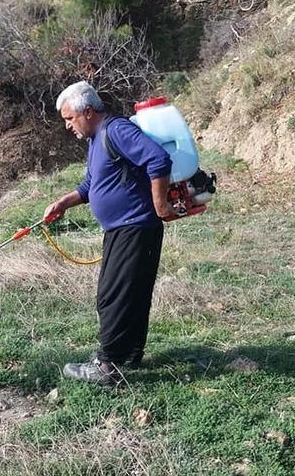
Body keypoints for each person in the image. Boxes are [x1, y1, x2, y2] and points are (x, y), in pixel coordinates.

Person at [44, 81, 174, 386]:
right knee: (132, 291)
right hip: (124, 229)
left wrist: (160, 204)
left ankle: (107, 366)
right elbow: (91, 185)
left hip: (135, 226)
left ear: (87, 112)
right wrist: (64, 202)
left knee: (112, 295)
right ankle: (129, 352)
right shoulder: (96, 140)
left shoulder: (116, 131)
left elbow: (157, 159)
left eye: (69, 118)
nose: (67, 126)